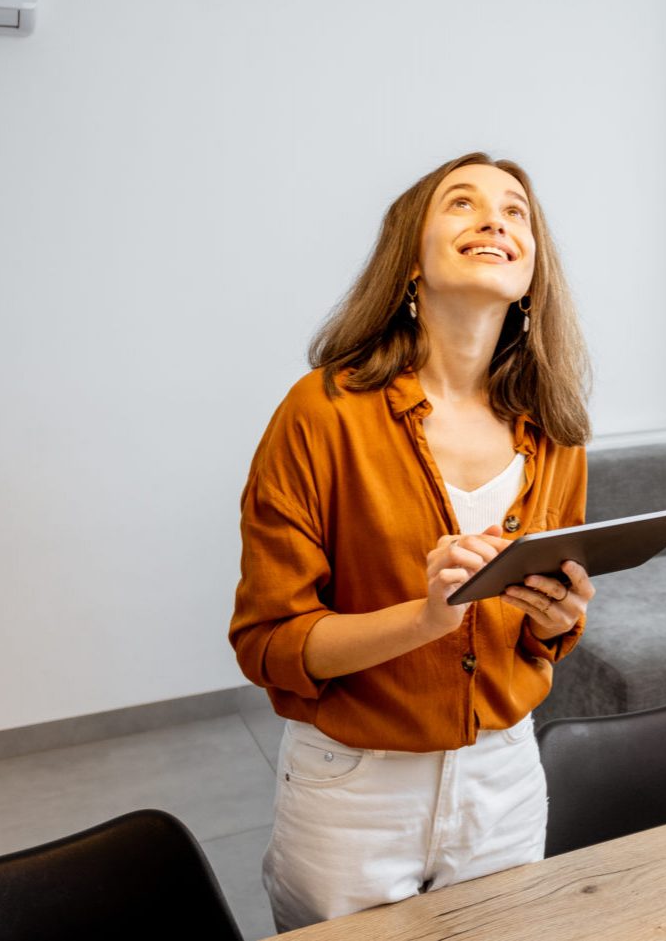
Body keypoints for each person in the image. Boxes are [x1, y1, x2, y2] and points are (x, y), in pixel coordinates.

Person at [229, 152, 595, 932]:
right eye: (460, 204)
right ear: (409, 261)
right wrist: (426, 617)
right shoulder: (321, 413)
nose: (495, 218)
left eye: (516, 211)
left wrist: (558, 620)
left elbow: (541, 633)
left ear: (531, 274)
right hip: (356, 790)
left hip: (505, 774)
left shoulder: (556, 431)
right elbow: (268, 641)